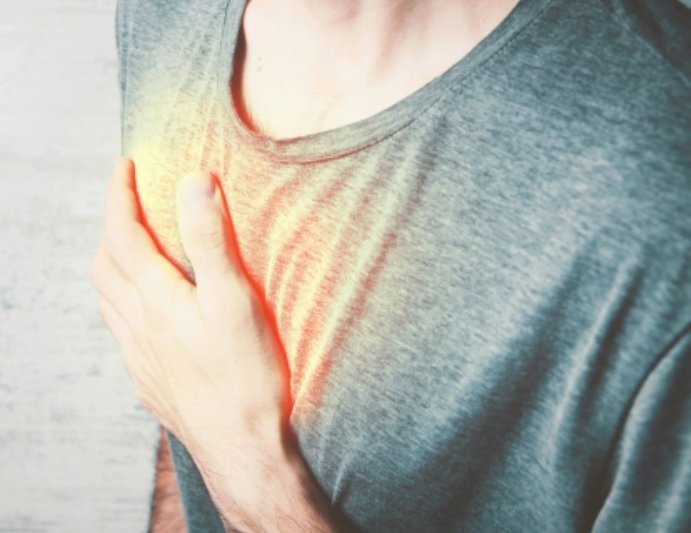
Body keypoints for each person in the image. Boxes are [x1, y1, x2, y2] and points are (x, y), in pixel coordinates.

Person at [90, 0, 691, 531]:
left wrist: (251, 476)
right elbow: (188, 394)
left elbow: (209, 430)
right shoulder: (166, 13)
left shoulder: (659, 212)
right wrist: (202, 433)